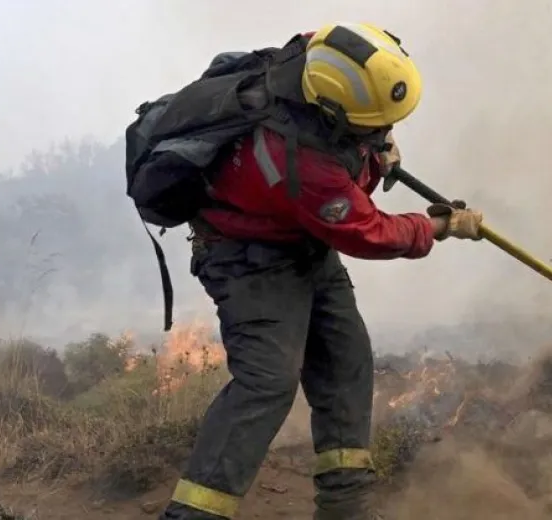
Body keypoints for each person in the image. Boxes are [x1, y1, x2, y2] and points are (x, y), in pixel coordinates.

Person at [159, 23, 483, 520]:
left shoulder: (325, 58)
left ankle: (345, 509)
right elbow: (366, 232)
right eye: (373, 125)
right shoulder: (297, 161)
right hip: (248, 259)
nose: (385, 131)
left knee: (347, 361)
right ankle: (193, 515)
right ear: (334, 111)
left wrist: (374, 150)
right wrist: (437, 226)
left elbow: (351, 161)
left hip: (302, 241)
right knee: (267, 383)